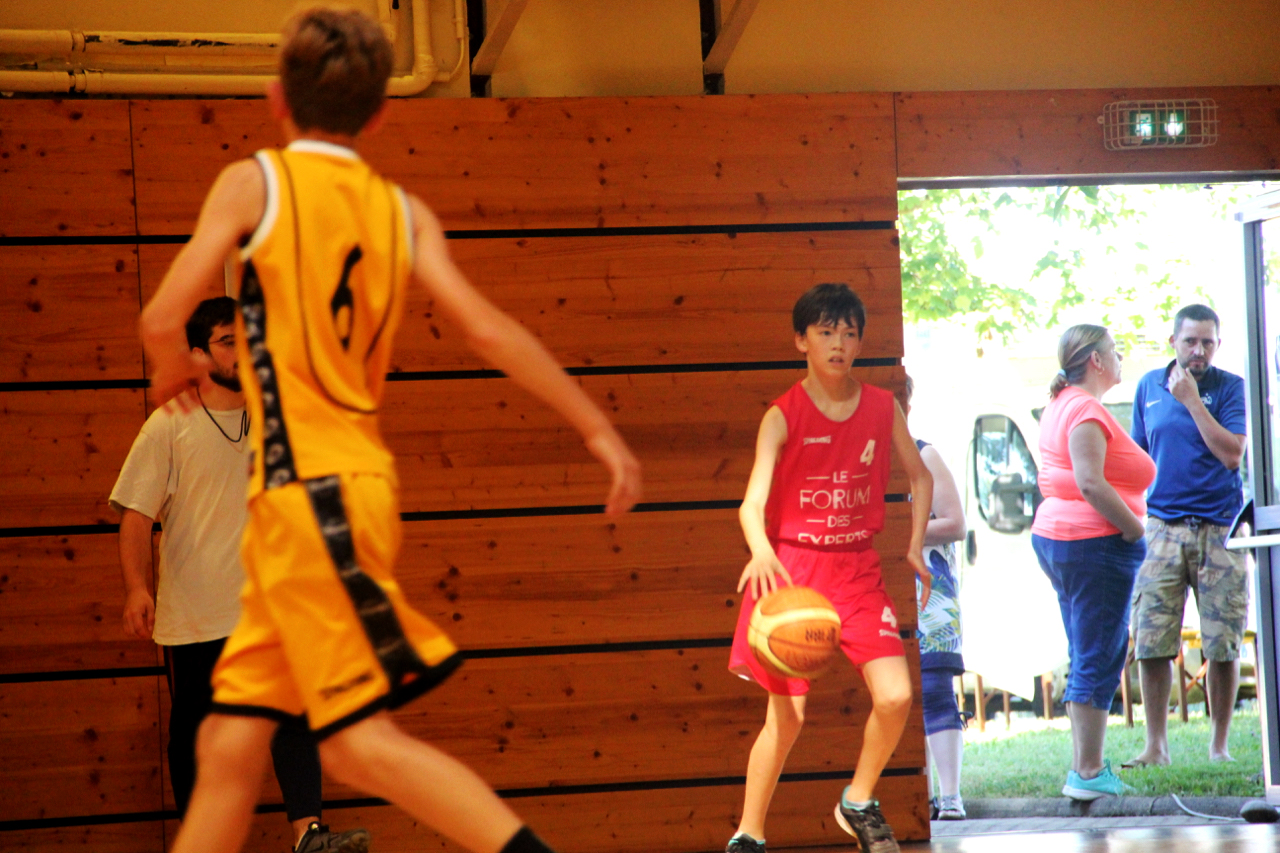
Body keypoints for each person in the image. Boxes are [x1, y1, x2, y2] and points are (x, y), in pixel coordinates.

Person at [137, 9, 642, 853]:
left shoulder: (253, 183)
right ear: (378, 115)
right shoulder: (401, 211)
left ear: (276, 99)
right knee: (228, 746)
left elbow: (161, 318)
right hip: (341, 490)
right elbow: (488, 330)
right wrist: (597, 426)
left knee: (356, 744)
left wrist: (172, 372)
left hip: (309, 496)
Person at [111, 297, 369, 853]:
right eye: (230, 342)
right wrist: (136, 587)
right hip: (195, 616)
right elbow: (135, 518)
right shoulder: (168, 427)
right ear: (199, 355)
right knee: (198, 736)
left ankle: (308, 836)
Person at [725, 283, 933, 853]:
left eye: (848, 333)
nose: (838, 343)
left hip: (856, 569)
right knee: (787, 718)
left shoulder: (882, 407)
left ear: (860, 343)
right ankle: (749, 834)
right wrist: (760, 550)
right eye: (825, 332)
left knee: (896, 696)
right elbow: (750, 504)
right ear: (802, 340)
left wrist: (915, 545)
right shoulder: (781, 415)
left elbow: (920, 477)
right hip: (791, 573)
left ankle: (858, 801)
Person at [1030, 324, 1156, 800]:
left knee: (1087, 648)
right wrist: (1133, 528)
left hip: (1066, 540)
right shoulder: (1084, 408)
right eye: (1114, 350)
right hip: (1094, 542)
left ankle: (1084, 766)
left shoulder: (1061, 403)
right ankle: (1087, 771)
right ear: (1096, 362)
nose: (1121, 357)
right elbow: (1089, 482)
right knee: (1099, 652)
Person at [1126, 304, 1248, 767]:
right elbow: (1137, 459)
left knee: (1223, 641)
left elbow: (1232, 455)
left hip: (1220, 529)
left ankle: (1219, 746)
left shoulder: (1230, 387)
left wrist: (1193, 401)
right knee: (1152, 640)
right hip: (1161, 528)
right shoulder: (1148, 387)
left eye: (1207, 343)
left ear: (1218, 345)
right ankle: (1156, 746)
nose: (1198, 351)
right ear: (1173, 342)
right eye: (1190, 341)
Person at [895, 375, 968, 821]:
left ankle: (951, 796)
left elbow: (955, 523)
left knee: (936, 690)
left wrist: (899, 529)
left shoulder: (924, 455)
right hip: (878, 593)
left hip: (929, 596)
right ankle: (911, 798)